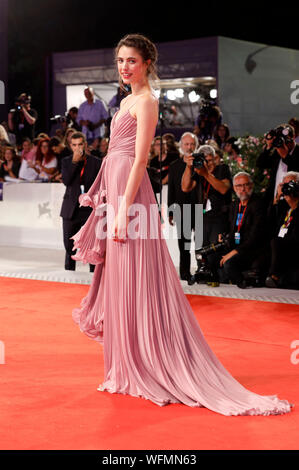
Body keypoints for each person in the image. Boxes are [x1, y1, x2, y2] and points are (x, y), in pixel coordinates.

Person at [70, 33, 292, 416]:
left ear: (147, 64)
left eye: (132, 61)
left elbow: (140, 160)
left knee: (137, 275)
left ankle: (146, 363)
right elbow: (117, 154)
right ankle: (124, 366)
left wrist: (123, 207)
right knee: (119, 275)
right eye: (121, 60)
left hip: (131, 194)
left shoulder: (148, 101)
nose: (125, 67)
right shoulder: (124, 100)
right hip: (115, 191)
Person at [60, 131, 102, 272]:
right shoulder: (66, 161)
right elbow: (66, 181)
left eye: (80, 144)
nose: (77, 148)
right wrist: (74, 162)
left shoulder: (96, 162)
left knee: (92, 245)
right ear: (70, 146)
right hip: (71, 209)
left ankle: (93, 276)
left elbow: (100, 185)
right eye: (74, 145)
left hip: (90, 210)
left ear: (85, 144)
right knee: (69, 244)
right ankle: (68, 273)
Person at [218, 172, 268, 288]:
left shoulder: (258, 205)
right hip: (236, 245)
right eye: (239, 186)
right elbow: (227, 223)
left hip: (251, 249)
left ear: (251, 186)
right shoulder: (235, 205)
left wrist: (234, 252)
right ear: (234, 188)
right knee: (213, 258)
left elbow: (255, 237)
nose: (243, 189)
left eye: (246, 185)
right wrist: (222, 232)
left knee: (229, 263)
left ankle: (244, 282)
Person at [168, 132, 198, 281]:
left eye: (192, 144)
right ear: (181, 146)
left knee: (200, 242)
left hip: (198, 207)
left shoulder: (200, 163)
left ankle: (201, 271)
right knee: (184, 244)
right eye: (186, 144)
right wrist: (171, 212)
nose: (189, 147)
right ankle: (185, 273)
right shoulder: (174, 166)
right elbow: (172, 190)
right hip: (181, 208)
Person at [265, 171, 299, 289]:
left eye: (291, 184)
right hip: (281, 245)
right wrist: (277, 197)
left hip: (293, 245)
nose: (287, 187)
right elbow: (269, 221)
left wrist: (294, 202)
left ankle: (274, 276)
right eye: (284, 185)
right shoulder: (284, 207)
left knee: (277, 242)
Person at [256, 123, 299, 214]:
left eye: (286, 140)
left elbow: (296, 170)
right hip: (276, 200)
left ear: (293, 137)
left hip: (292, 200)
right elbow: (260, 163)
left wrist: (285, 156)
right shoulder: (277, 153)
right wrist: (268, 147)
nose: (284, 143)